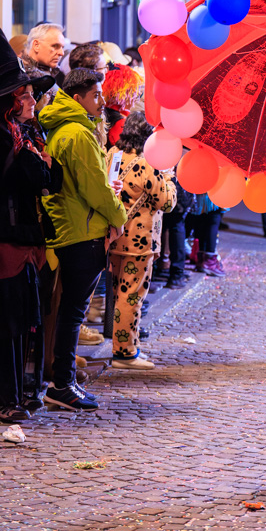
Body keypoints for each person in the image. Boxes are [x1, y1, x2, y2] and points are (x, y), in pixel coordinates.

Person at [0, 20, 61, 422]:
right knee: (1, 325)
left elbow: (50, 181)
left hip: (22, 239)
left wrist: (34, 158)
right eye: (25, 95)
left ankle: (16, 392)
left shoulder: (19, 133)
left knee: (22, 322)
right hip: (0, 241)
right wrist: (31, 161)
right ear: (9, 100)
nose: (32, 101)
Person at [39, 68, 127, 410]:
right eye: (96, 96)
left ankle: (63, 381)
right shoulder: (77, 132)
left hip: (74, 227)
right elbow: (94, 188)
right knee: (73, 312)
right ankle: (62, 384)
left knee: (70, 310)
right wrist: (118, 215)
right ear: (78, 98)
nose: (102, 101)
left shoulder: (68, 127)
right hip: (81, 231)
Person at [107, 111, 175, 368]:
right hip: (140, 242)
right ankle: (124, 352)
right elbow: (166, 202)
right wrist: (169, 177)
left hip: (115, 236)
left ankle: (125, 347)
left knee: (119, 294)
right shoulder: (149, 162)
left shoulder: (113, 153)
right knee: (131, 296)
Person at [102, 63, 142, 148]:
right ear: (124, 93)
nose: (138, 94)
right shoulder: (120, 122)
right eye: (134, 91)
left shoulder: (103, 111)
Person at [186, 193, 226, 277]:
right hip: (214, 191)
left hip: (200, 190)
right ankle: (209, 261)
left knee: (202, 220)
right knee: (213, 220)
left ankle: (201, 259)